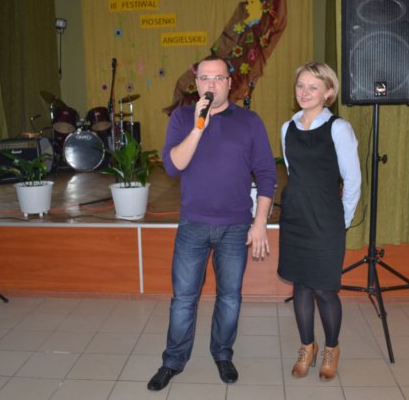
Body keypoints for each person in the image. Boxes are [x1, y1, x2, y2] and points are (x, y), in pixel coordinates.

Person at [147, 55, 277, 391]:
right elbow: (173, 166)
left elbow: (266, 174)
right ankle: (173, 361)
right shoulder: (182, 118)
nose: (211, 84)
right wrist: (197, 127)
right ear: (196, 83)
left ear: (230, 83)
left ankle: (222, 354)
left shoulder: (249, 121)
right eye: (205, 78)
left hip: (236, 225)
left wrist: (260, 222)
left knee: (230, 297)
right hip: (193, 224)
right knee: (183, 299)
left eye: (218, 78)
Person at [277, 62, 361, 381]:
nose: (304, 92)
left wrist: (342, 221)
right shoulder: (287, 128)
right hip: (295, 215)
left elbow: (352, 180)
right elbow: (293, 172)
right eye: (300, 85)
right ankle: (306, 347)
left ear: (328, 92)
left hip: (326, 219)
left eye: (313, 87)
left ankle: (331, 348)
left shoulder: (339, 128)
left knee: (325, 289)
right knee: (300, 284)